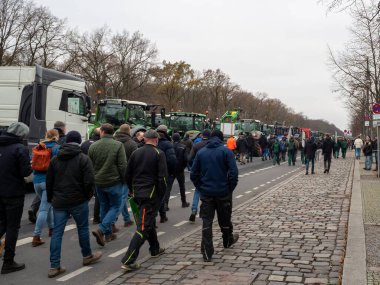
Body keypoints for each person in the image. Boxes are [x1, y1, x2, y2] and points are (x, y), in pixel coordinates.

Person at [46, 131, 102, 278]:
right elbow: (89, 181)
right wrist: (87, 196)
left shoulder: (55, 159)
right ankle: (87, 256)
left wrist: (51, 198)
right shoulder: (83, 158)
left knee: (57, 233)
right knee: (82, 229)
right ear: (78, 142)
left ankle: (54, 265)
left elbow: (49, 182)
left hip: (59, 200)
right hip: (78, 200)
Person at [121, 129, 167, 271]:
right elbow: (163, 179)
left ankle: (155, 248)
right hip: (151, 195)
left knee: (148, 221)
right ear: (156, 140)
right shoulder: (159, 153)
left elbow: (127, 174)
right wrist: (161, 195)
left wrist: (131, 190)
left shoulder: (136, 153)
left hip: (138, 193)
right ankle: (128, 260)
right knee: (143, 227)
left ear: (144, 139)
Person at [190, 130, 239, 262]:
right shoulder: (227, 152)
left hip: (206, 193)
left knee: (207, 222)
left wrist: (201, 187)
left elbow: (193, 174)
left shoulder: (201, 152)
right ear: (221, 139)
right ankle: (227, 240)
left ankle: (207, 251)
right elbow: (234, 174)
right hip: (223, 192)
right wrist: (229, 189)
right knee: (225, 219)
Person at [0, 122, 32, 274]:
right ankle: (8, 261)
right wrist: (30, 165)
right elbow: (25, 172)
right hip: (13, 192)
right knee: (13, 227)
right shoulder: (20, 149)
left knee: (1, 223)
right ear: (21, 134)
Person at [89, 124, 126, 246]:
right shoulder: (118, 145)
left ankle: (108, 235)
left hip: (99, 182)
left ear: (103, 132)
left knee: (104, 206)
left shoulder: (93, 146)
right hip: (114, 181)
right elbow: (122, 165)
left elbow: (90, 166)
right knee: (115, 206)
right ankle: (102, 229)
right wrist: (124, 180)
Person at [32, 129, 60, 247]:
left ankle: (51, 228)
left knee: (48, 206)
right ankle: (36, 236)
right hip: (48, 182)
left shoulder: (39, 146)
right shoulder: (56, 148)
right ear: (56, 136)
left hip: (36, 180)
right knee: (44, 208)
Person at [114, 124, 137, 228]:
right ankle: (111, 222)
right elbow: (135, 162)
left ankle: (127, 219)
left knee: (121, 197)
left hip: (113, 174)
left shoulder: (113, 142)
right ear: (129, 131)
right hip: (126, 175)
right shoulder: (132, 144)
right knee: (122, 198)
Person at [188, 129, 211, 222]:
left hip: (198, 171)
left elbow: (190, 158)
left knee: (197, 191)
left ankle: (194, 210)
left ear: (202, 135)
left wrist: (193, 166)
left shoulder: (196, 145)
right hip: (209, 171)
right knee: (207, 193)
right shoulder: (210, 145)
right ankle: (203, 210)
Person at [81, 128, 101, 224]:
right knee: (98, 197)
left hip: (84, 172)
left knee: (85, 195)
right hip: (96, 173)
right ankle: (96, 218)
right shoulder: (100, 145)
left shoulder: (85, 143)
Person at [156, 125, 176, 223]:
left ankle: (153, 217)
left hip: (150, 174)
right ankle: (162, 215)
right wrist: (171, 172)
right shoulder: (168, 144)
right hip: (164, 173)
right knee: (162, 194)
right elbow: (172, 160)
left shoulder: (148, 142)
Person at [172, 133, 190, 208]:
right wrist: (183, 166)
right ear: (179, 138)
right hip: (180, 169)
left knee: (168, 187)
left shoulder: (170, 146)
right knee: (182, 186)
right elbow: (186, 159)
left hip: (171, 169)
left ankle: (165, 204)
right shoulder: (183, 147)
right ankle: (183, 202)